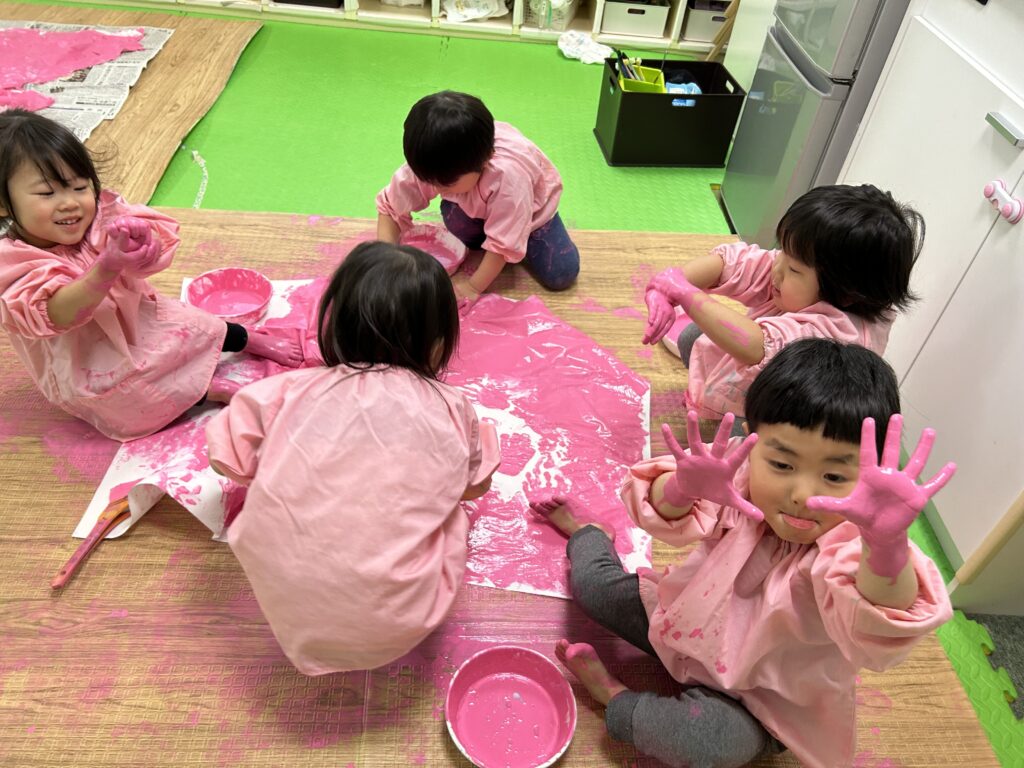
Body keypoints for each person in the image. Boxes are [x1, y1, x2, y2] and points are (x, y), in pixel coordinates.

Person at [529, 339, 954, 768]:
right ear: (752, 441)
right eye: (782, 465)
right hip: (679, 628)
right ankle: (588, 533)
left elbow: (883, 614)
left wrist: (885, 544)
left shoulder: (852, 542)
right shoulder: (740, 479)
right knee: (592, 586)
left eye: (834, 475)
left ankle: (614, 697)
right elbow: (661, 512)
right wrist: (682, 487)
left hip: (763, 700)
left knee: (707, 744)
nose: (802, 494)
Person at [205, 241, 501, 675]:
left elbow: (225, 460)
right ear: (439, 345)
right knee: (451, 511)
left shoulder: (284, 390)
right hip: (402, 621)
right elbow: (476, 487)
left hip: (283, 593)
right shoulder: (453, 408)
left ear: (334, 327)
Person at [0, 109, 302, 441]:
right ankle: (206, 391)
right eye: (47, 193)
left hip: (143, 318)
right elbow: (59, 313)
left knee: (198, 326)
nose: (70, 203)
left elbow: (150, 260)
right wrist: (105, 269)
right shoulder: (12, 263)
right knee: (125, 397)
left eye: (79, 186)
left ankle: (247, 338)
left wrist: (144, 245)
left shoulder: (102, 219)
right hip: (85, 357)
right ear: (3, 203)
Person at [643, 184, 923, 437]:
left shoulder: (838, 335)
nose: (776, 269)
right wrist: (669, 286)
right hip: (765, 379)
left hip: (790, 422)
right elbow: (734, 264)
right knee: (694, 335)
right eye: (782, 252)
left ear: (845, 294)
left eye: (793, 269)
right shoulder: (807, 277)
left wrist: (684, 292)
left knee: (746, 445)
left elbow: (756, 346)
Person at [376, 90, 580, 300]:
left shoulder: (508, 177)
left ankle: (521, 238)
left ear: (485, 159)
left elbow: (503, 243)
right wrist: (386, 259)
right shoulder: (434, 159)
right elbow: (390, 207)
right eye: (430, 182)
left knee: (561, 274)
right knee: (457, 217)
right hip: (485, 203)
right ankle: (491, 234)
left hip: (533, 215)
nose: (437, 189)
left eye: (446, 185)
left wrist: (473, 287)